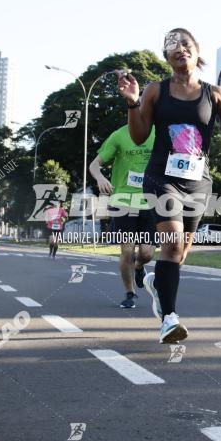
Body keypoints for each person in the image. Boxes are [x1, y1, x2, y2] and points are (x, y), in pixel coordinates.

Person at [117, 27, 221, 343]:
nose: (179, 48)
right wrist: (133, 104)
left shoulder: (214, 93)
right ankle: (169, 320)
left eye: (185, 43)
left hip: (198, 183)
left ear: (196, 51)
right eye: (172, 45)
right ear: (166, 57)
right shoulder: (155, 91)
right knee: (173, 244)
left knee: (180, 253)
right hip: (162, 179)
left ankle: (157, 287)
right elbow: (138, 136)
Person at [89, 123, 156, 308]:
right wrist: (101, 178)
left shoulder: (159, 133)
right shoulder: (119, 135)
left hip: (150, 201)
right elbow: (94, 165)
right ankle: (130, 293)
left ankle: (140, 266)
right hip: (123, 201)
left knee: (147, 253)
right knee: (127, 251)